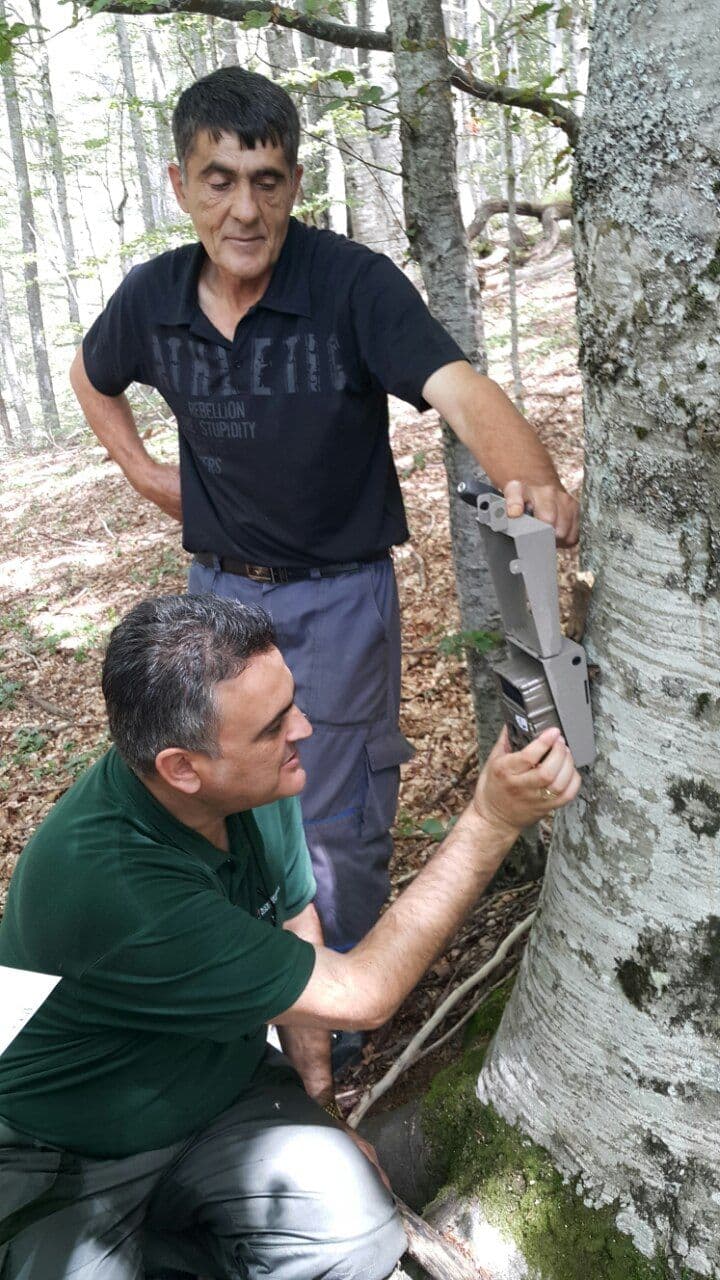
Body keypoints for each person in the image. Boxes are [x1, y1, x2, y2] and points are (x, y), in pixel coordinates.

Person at [69, 67, 580, 962]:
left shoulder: (349, 284)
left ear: (295, 184)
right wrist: (147, 473)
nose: (244, 210)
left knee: (335, 822)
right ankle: (265, 999)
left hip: (339, 603)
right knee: (230, 806)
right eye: (218, 180)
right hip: (217, 602)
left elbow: (456, 389)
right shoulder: (152, 298)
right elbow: (90, 374)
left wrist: (529, 474)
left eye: (266, 181)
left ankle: (340, 1020)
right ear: (180, 185)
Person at [0, 593, 580, 1278]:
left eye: (291, 704)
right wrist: (490, 818)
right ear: (183, 767)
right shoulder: (115, 888)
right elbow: (363, 995)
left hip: (218, 1087)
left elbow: (294, 921)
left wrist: (319, 1107)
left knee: (357, 1231)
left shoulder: (242, 785)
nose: (303, 729)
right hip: (68, 1147)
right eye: (274, 727)